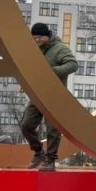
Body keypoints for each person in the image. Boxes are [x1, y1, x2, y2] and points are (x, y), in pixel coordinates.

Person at [20, 22, 77, 172]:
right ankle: (38, 152)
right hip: (38, 94)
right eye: (34, 38)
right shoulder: (34, 50)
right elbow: (31, 69)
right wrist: (25, 83)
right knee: (26, 124)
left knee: (52, 129)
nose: (36, 40)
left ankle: (50, 160)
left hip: (54, 95)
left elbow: (72, 65)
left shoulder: (60, 49)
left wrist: (51, 71)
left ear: (47, 36)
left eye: (39, 37)